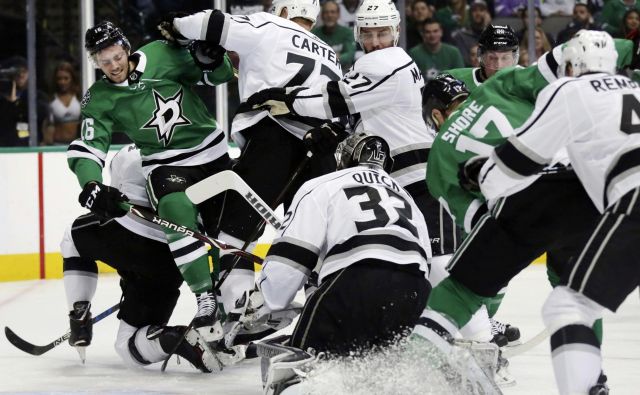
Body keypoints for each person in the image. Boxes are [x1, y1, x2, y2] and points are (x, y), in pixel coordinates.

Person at [421, 32, 637, 387]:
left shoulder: (564, 91)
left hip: (536, 199)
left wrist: (483, 173)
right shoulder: (627, 88)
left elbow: (516, 163)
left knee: (463, 288)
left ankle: (419, 358)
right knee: (575, 299)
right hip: (592, 198)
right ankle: (592, 381)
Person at [158, 0, 344, 321]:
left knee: (234, 227)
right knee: (317, 239)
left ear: (284, 10)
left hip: (274, 137)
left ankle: (239, 310)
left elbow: (212, 22)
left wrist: (177, 27)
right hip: (324, 150)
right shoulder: (332, 54)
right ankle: (323, 314)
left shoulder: (270, 26)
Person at [245, 0, 461, 269]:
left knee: (439, 274)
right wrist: (334, 131)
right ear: (358, 34)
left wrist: (288, 98)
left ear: (396, 30)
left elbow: (334, 98)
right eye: (368, 34)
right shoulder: (387, 68)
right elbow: (359, 114)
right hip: (401, 188)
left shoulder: (389, 60)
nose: (375, 42)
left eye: (382, 33)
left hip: (421, 184)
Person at [68, 21, 235, 345]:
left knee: (226, 231)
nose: (113, 65)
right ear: (95, 63)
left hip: (213, 154)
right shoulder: (99, 97)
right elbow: (88, 148)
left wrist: (215, 59)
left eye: (116, 56)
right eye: (104, 61)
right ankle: (206, 301)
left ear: (126, 49)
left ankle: (237, 305)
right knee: (175, 210)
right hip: (165, 164)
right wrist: (90, 184)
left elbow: (221, 76)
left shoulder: (162, 54)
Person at [255, 132, 432, 393]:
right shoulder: (407, 199)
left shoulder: (323, 184)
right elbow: (425, 261)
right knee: (384, 378)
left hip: (356, 282)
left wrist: (271, 297)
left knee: (305, 374)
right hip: (415, 291)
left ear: (344, 160)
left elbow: (290, 259)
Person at [62, 144, 226, 372]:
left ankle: (79, 314)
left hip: (125, 236)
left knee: (72, 239)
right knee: (127, 344)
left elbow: (114, 198)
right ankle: (172, 337)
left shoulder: (128, 152)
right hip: (174, 256)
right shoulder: (199, 156)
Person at [447, 24, 520, 91]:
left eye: (505, 58)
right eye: (492, 58)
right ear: (482, 56)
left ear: (514, 58)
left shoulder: (524, 83)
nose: (499, 65)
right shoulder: (455, 79)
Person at [0, 56, 50, 146]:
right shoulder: (3, 97)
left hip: (31, 145)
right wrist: (10, 101)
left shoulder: (37, 95)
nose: (21, 75)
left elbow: (43, 114)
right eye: (17, 72)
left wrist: (20, 101)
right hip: (7, 146)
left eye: (24, 71)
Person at [312, 1, 357, 71]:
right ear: (322, 15)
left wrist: (326, 58)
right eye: (326, 12)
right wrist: (335, 56)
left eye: (333, 12)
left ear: (338, 14)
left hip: (343, 71)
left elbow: (350, 55)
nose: (329, 15)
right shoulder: (314, 34)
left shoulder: (347, 32)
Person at [44, 62, 81, 145]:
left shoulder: (79, 96)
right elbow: (47, 124)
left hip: (76, 145)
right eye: (59, 79)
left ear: (72, 78)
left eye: (66, 78)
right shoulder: (52, 98)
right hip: (57, 145)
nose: (62, 82)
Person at [452, 0, 492, 66]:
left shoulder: (493, 35)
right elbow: (465, 60)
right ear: (470, 14)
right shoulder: (461, 36)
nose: (478, 13)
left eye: (481, 10)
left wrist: (486, 28)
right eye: (474, 11)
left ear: (487, 13)